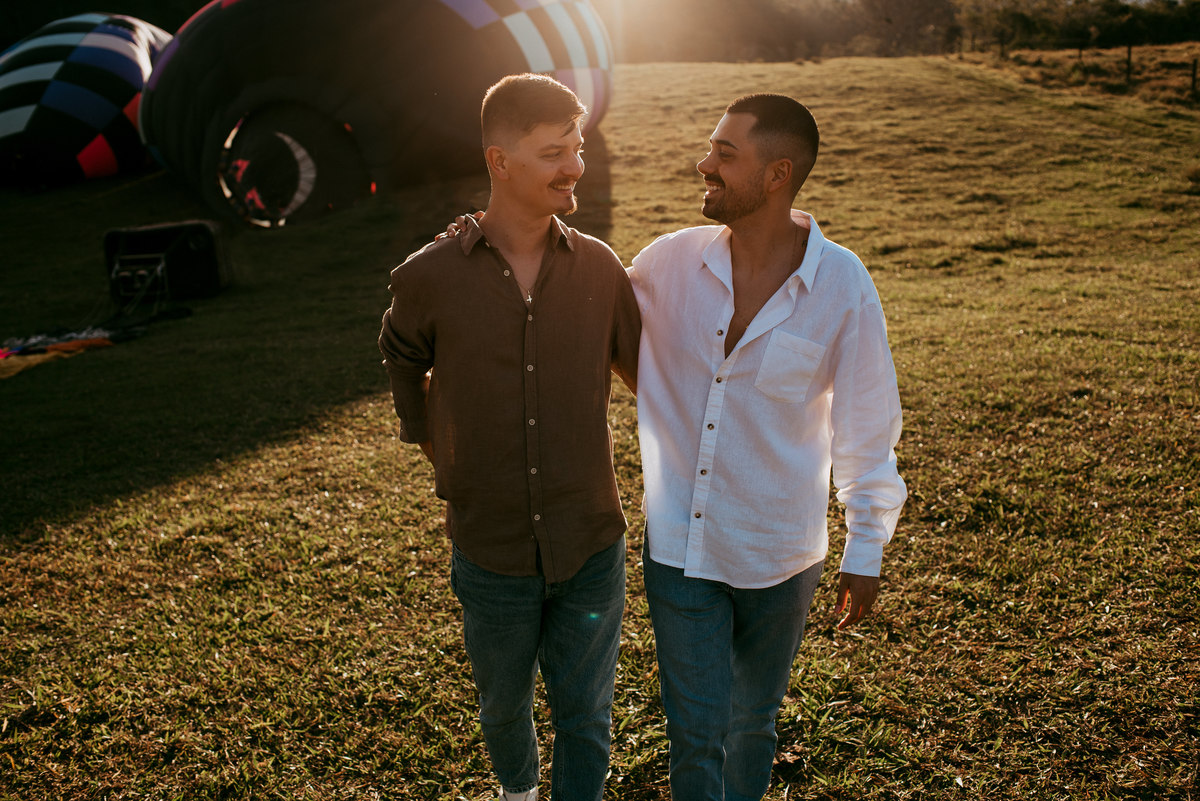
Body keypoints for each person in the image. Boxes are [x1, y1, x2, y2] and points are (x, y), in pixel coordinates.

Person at [626, 93, 907, 800]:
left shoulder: (843, 285)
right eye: (710, 147)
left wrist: (865, 547)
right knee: (694, 733)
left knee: (751, 723)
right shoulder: (668, 263)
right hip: (680, 548)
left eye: (725, 153)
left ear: (777, 174)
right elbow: (582, 303)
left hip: (782, 555)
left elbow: (867, 425)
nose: (704, 164)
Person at [377, 73, 640, 801]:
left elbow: (654, 376)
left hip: (589, 540)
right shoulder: (430, 274)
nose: (575, 167)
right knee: (502, 704)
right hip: (490, 550)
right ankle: (518, 793)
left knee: (587, 713)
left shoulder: (600, 268)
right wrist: (433, 445)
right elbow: (400, 354)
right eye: (554, 151)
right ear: (500, 162)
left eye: (577, 147)